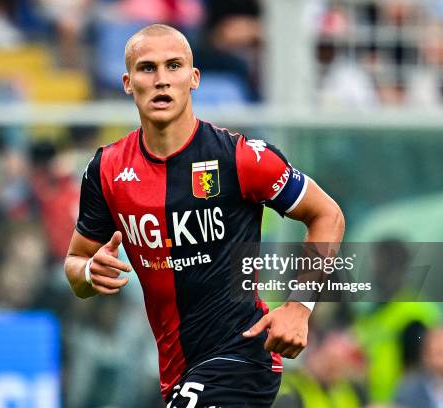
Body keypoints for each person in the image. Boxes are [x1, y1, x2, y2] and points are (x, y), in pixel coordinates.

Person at [64, 24, 345, 407]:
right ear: (128, 83)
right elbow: (76, 262)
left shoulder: (242, 158)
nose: (162, 80)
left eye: (174, 66)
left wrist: (299, 306)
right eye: (148, 69)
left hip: (242, 355)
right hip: (178, 369)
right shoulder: (106, 170)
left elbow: (327, 215)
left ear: (193, 78)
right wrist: (87, 273)